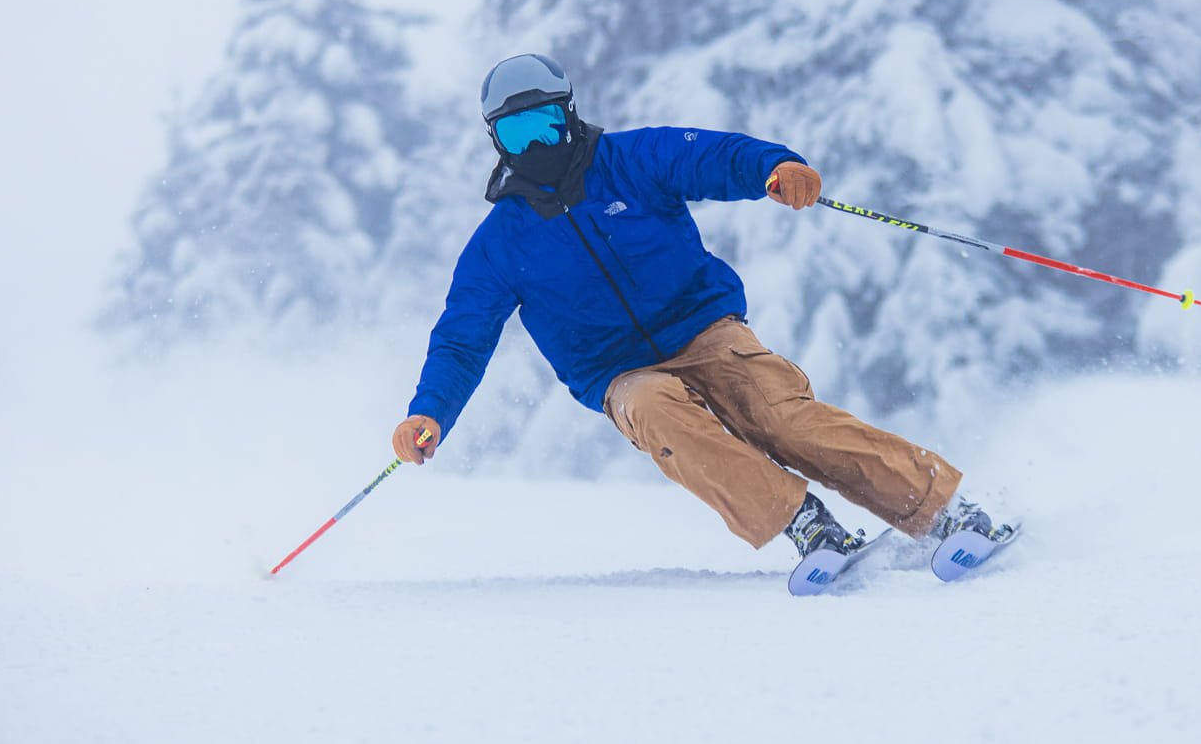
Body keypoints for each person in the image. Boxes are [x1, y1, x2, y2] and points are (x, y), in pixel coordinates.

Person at [392, 54, 995, 560]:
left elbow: (711, 155)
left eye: (545, 125)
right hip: (618, 373)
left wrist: (774, 168)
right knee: (655, 408)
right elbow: (462, 337)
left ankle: (943, 508)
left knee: (779, 416)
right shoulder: (500, 242)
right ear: (495, 139)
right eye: (518, 134)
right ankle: (805, 522)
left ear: (569, 115)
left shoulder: (631, 161)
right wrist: (431, 411)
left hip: (704, 329)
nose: (536, 145)